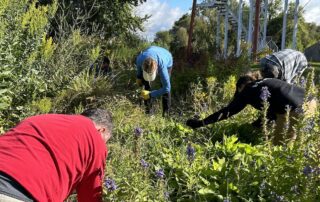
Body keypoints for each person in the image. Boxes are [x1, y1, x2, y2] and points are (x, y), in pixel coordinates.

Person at [0, 108, 113, 202]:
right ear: (101, 130)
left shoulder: (41, 119)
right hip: (18, 193)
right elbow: (90, 195)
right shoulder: (95, 138)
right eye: (105, 141)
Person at [186, 76, 316, 144]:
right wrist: (256, 125)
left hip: (294, 110)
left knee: (280, 150)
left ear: (241, 86)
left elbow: (227, 111)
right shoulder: (265, 81)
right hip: (311, 102)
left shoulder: (248, 90)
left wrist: (200, 123)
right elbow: (272, 109)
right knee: (301, 143)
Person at [136, 46, 173, 116]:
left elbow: (167, 88)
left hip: (166, 56)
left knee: (165, 88)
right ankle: (149, 112)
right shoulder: (139, 59)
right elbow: (139, 71)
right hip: (151, 50)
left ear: (156, 71)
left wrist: (150, 94)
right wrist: (139, 77)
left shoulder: (162, 66)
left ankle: (166, 114)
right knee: (146, 84)